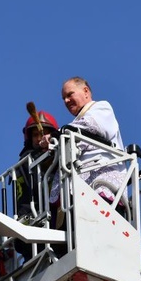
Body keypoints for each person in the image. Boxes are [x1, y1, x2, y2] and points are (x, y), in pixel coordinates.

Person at [51, 76, 126, 204]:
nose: (66, 101)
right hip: (77, 195)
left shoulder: (101, 108)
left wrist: (55, 136)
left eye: (70, 95)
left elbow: (90, 126)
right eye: (64, 98)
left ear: (86, 91)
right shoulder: (75, 123)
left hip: (101, 190)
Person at [13, 110, 59, 261]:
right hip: (32, 221)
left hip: (50, 221)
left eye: (44, 134)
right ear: (29, 139)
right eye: (35, 135)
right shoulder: (26, 161)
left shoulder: (58, 153)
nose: (40, 139)